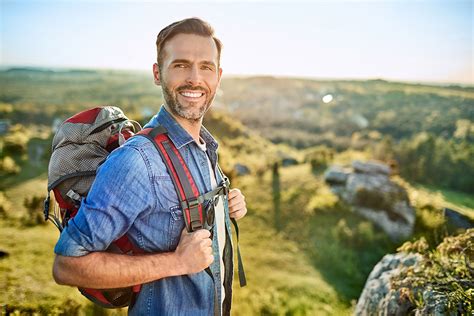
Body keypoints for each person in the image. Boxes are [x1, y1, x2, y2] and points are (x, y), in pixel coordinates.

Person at [52, 17, 247, 316]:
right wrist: (178, 263)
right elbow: (67, 265)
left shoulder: (205, 147)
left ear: (218, 76)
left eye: (206, 66)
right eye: (180, 65)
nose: (195, 78)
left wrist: (225, 206)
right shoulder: (137, 160)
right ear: (158, 73)